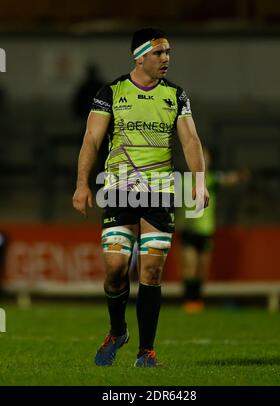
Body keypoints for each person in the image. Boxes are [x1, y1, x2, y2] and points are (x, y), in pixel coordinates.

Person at [72, 28, 209, 367]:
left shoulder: (176, 95)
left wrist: (199, 181)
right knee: (116, 268)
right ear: (140, 57)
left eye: (168, 53)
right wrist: (81, 183)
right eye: (159, 53)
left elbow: (191, 140)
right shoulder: (111, 93)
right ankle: (117, 330)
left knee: (152, 271)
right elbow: (91, 139)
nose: (166, 59)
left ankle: (146, 351)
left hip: (160, 190)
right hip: (119, 188)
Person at [178, 148, 250, 313]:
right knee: (190, 266)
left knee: (202, 269)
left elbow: (227, 179)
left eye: (206, 157)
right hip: (188, 230)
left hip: (206, 231)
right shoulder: (184, 179)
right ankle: (189, 301)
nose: (203, 160)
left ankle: (198, 300)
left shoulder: (211, 179)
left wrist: (239, 176)